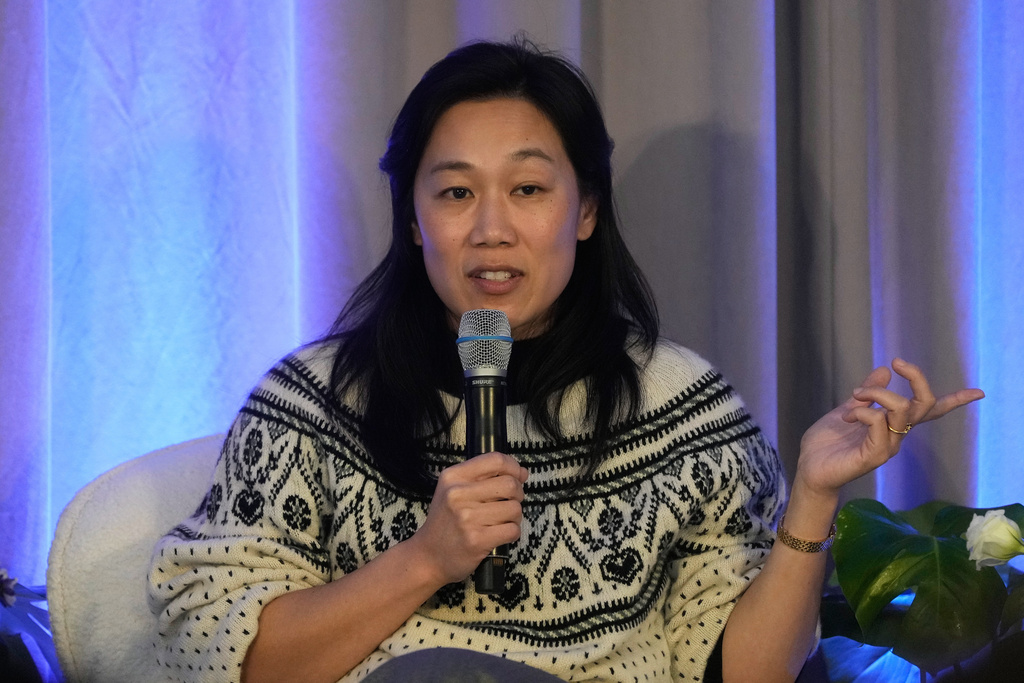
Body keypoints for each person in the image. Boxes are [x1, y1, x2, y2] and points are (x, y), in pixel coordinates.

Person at [148, 39, 983, 683]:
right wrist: (425, 558)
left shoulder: (682, 408)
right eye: (454, 192)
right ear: (412, 220)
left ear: (584, 210)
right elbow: (221, 659)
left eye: (528, 189)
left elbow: (746, 673)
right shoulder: (314, 405)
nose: (490, 229)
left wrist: (812, 496)